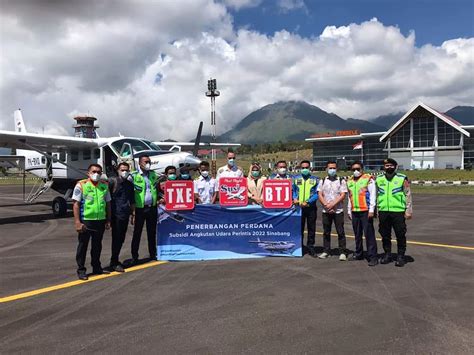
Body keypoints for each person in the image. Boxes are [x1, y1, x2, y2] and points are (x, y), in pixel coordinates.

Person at [72, 163, 111, 280]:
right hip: (86, 221)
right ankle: (81, 270)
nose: (96, 174)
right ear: (88, 173)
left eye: (99, 172)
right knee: (83, 246)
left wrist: (108, 219)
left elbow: (108, 204)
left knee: (97, 246)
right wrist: (77, 222)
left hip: (100, 221)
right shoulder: (81, 185)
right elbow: (76, 204)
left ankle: (96, 267)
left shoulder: (104, 186)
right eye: (94, 172)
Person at [375, 158, 413, 267]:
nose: (389, 167)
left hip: (398, 211)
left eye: (391, 165)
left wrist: (408, 210)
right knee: (385, 235)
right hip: (383, 211)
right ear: (384, 167)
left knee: (400, 234)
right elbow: (376, 195)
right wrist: (376, 210)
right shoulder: (379, 179)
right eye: (387, 165)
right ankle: (387, 254)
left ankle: (400, 256)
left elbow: (408, 194)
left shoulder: (402, 178)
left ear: (395, 167)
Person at [347, 161, 378, 266]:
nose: (356, 171)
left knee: (369, 234)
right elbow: (349, 196)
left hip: (365, 210)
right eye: (353, 169)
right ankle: (358, 253)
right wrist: (349, 209)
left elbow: (373, 195)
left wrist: (371, 210)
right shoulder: (349, 181)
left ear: (362, 169)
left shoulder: (368, 179)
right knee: (357, 234)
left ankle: (372, 256)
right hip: (355, 211)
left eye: (358, 169)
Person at [317, 160, 348, 261]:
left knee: (340, 231)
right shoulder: (322, 180)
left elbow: (343, 195)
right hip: (326, 210)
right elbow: (320, 194)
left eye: (334, 168)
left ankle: (342, 252)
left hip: (338, 210)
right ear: (326, 169)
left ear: (337, 169)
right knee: (326, 231)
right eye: (330, 168)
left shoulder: (341, 180)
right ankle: (326, 251)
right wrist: (327, 205)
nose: (332, 170)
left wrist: (333, 205)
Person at [131, 155, 158, 264]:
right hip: (139, 209)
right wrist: (132, 211)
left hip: (152, 208)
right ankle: (134, 256)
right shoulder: (133, 176)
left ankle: (153, 254)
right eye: (146, 162)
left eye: (149, 162)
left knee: (152, 232)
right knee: (137, 233)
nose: (148, 164)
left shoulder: (153, 174)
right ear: (140, 163)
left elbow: (156, 189)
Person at [108, 162, 135, 272]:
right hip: (115, 215)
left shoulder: (129, 184)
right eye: (122, 170)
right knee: (116, 238)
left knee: (121, 238)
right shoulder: (112, 181)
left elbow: (132, 201)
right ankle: (114, 261)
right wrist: (108, 217)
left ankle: (115, 259)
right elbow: (107, 199)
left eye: (126, 170)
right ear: (118, 171)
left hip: (124, 214)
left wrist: (133, 214)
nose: (124, 172)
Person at [292, 160, 319, 256]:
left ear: (310, 168)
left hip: (310, 207)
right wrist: (294, 198)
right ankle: (300, 247)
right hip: (299, 208)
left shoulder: (315, 179)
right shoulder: (295, 178)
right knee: (300, 228)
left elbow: (317, 194)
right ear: (300, 168)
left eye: (306, 167)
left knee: (311, 228)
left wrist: (308, 201)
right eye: (303, 168)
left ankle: (311, 247)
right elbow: (293, 190)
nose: (305, 169)